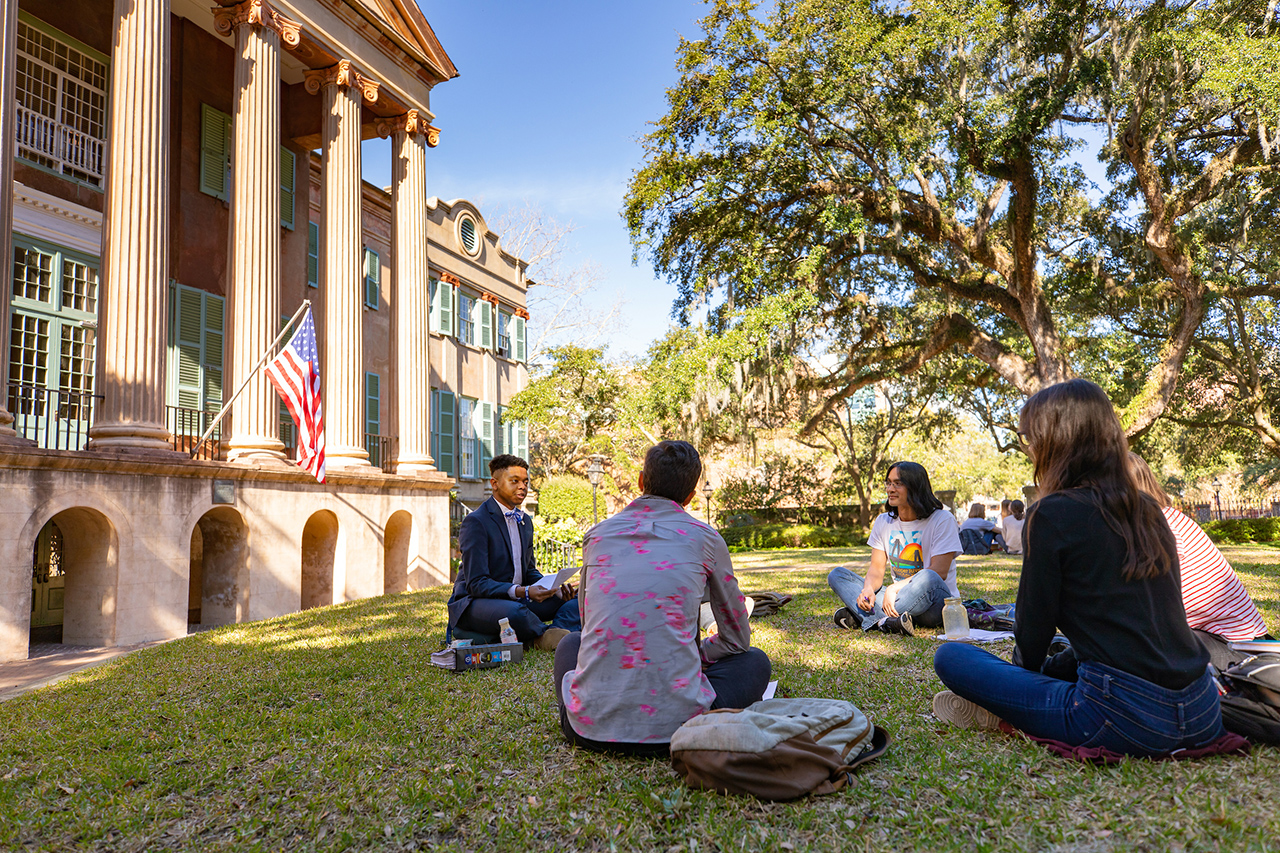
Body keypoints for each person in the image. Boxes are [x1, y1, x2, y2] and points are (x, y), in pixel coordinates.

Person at [932, 379, 1225, 757]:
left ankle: (1012, 714)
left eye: (1030, 439)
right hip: (1203, 711)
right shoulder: (1148, 509)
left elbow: (1033, 629)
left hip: (1122, 717)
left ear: (1056, 441)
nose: (1030, 450)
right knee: (1062, 660)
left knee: (953, 657)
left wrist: (1023, 680)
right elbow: (1140, 625)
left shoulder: (1051, 513)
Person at [554, 440, 771, 755]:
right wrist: (694, 654)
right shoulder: (707, 539)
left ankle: (584, 710)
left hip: (588, 731)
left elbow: (590, 633)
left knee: (569, 644)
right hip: (682, 728)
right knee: (754, 661)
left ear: (642, 481)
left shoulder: (597, 536)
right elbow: (737, 639)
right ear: (690, 496)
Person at [1129, 453, 1269, 670]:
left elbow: (1156, 611)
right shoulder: (1163, 519)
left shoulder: (1161, 528)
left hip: (1235, 646)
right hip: (1221, 637)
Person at [447, 454, 580, 651]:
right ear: (494, 483)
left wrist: (553, 589)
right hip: (476, 602)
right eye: (514, 481)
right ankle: (538, 638)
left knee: (577, 602)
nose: (523, 487)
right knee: (515, 612)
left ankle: (557, 631)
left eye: (525, 482)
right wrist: (523, 591)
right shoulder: (476, 522)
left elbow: (529, 571)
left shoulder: (525, 521)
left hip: (517, 597)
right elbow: (477, 583)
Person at [828, 461, 961, 635]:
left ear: (915, 487)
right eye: (889, 483)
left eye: (898, 484)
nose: (890, 489)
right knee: (837, 574)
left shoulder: (942, 519)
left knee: (928, 576)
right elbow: (876, 569)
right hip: (901, 600)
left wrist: (893, 588)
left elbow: (939, 572)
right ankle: (888, 621)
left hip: (934, 604)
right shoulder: (884, 521)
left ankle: (866, 616)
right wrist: (868, 590)